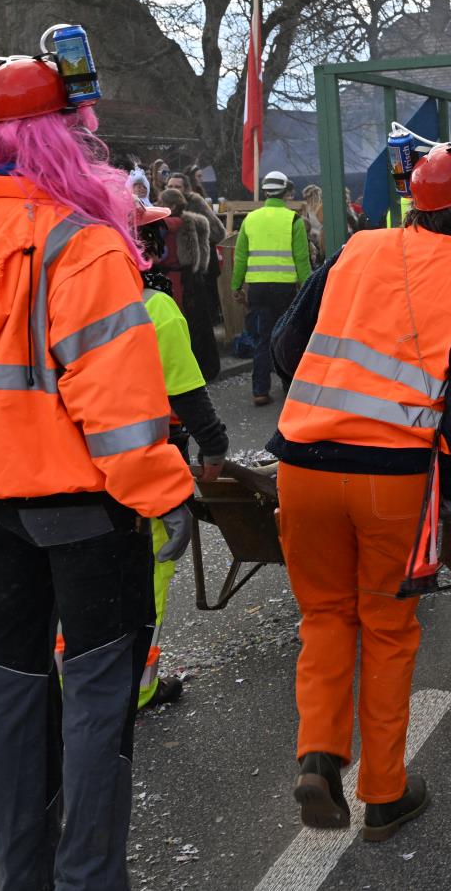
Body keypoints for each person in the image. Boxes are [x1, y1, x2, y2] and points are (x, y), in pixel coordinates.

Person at [0, 38, 195, 891]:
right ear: (70, 138)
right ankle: (90, 879)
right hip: (86, 515)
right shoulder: (83, 244)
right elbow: (120, 408)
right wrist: (166, 494)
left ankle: (20, 877)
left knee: (14, 695)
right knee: (97, 703)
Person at [269, 138, 451, 838]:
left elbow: (286, 347)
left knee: (324, 616)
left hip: (303, 465)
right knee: (386, 626)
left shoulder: (356, 249)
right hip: (393, 479)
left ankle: (318, 757)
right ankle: (383, 792)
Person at [131, 202, 230, 710]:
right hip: (145, 466)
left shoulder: (61, 299)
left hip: (75, 470)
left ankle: (71, 687)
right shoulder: (154, 307)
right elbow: (187, 393)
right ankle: (138, 687)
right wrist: (214, 445)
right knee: (149, 574)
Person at [234, 170, 310, 407]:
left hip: (257, 289)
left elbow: (240, 257)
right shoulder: (294, 220)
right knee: (287, 336)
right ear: (286, 192)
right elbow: (302, 259)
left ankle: (260, 391)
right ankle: (289, 386)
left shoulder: (250, 220)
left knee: (262, 338)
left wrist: (236, 286)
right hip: (285, 289)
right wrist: (308, 288)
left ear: (265, 192)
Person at [158, 187, 221, 380]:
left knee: (182, 324)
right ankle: (201, 367)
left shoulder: (171, 223)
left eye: (161, 203)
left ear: (172, 206)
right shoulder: (196, 221)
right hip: (191, 278)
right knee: (196, 325)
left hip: (178, 280)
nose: (158, 206)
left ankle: (188, 368)